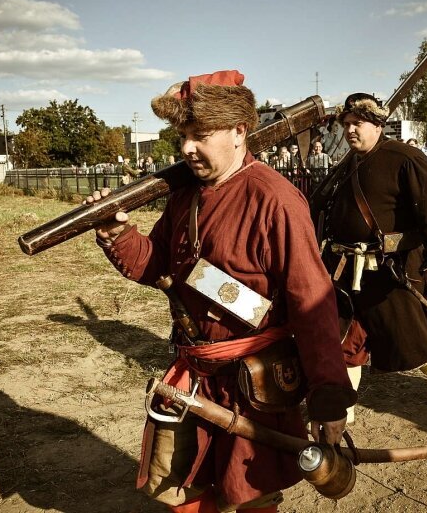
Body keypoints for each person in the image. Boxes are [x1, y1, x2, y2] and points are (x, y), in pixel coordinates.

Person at [84, 70, 356, 512]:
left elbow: (312, 302)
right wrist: (118, 234)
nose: (187, 148)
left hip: (253, 387)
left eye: (200, 135)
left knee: (249, 498)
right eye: (183, 136)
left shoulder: (276, 199)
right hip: (193, 378)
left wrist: (328, 397)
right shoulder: (184, 196)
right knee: (184, 495)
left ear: (239, 131)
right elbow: (157, 265)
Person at [314, 93, 427, 415]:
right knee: (344, 340)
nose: (350, 130)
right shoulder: (347, 163)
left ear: (377, 125)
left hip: (391, 269)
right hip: (343, 268)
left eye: (357, 123)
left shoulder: (405, 157)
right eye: (346, 124)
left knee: (407, 339)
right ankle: (342, 410)